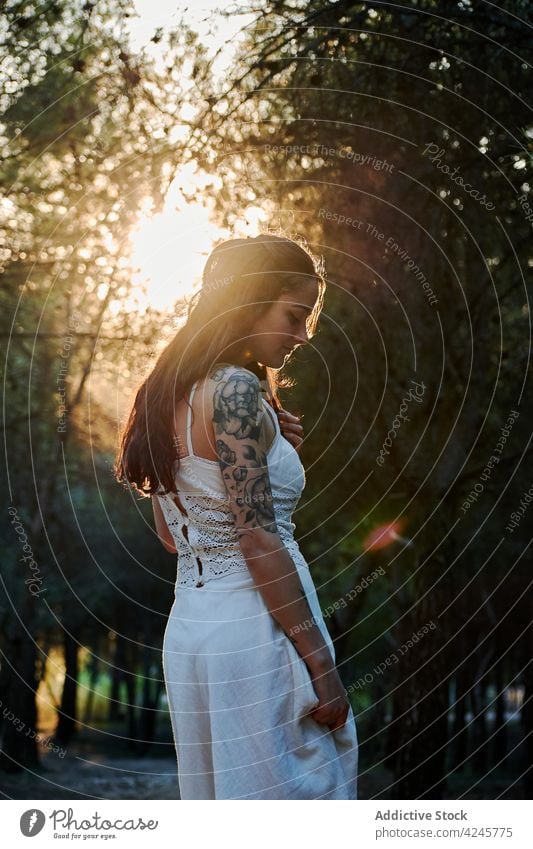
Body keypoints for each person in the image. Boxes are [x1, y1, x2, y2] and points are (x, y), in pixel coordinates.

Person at [114, 231, 358, 799]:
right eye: (294, 315)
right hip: (256, 627)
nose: (303, 335)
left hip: (195, 632)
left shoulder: (166, 394)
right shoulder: (235, 391)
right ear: (249, 302)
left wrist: (275, 446)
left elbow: (176, 537)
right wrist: (323, 667)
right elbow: (256, 539)